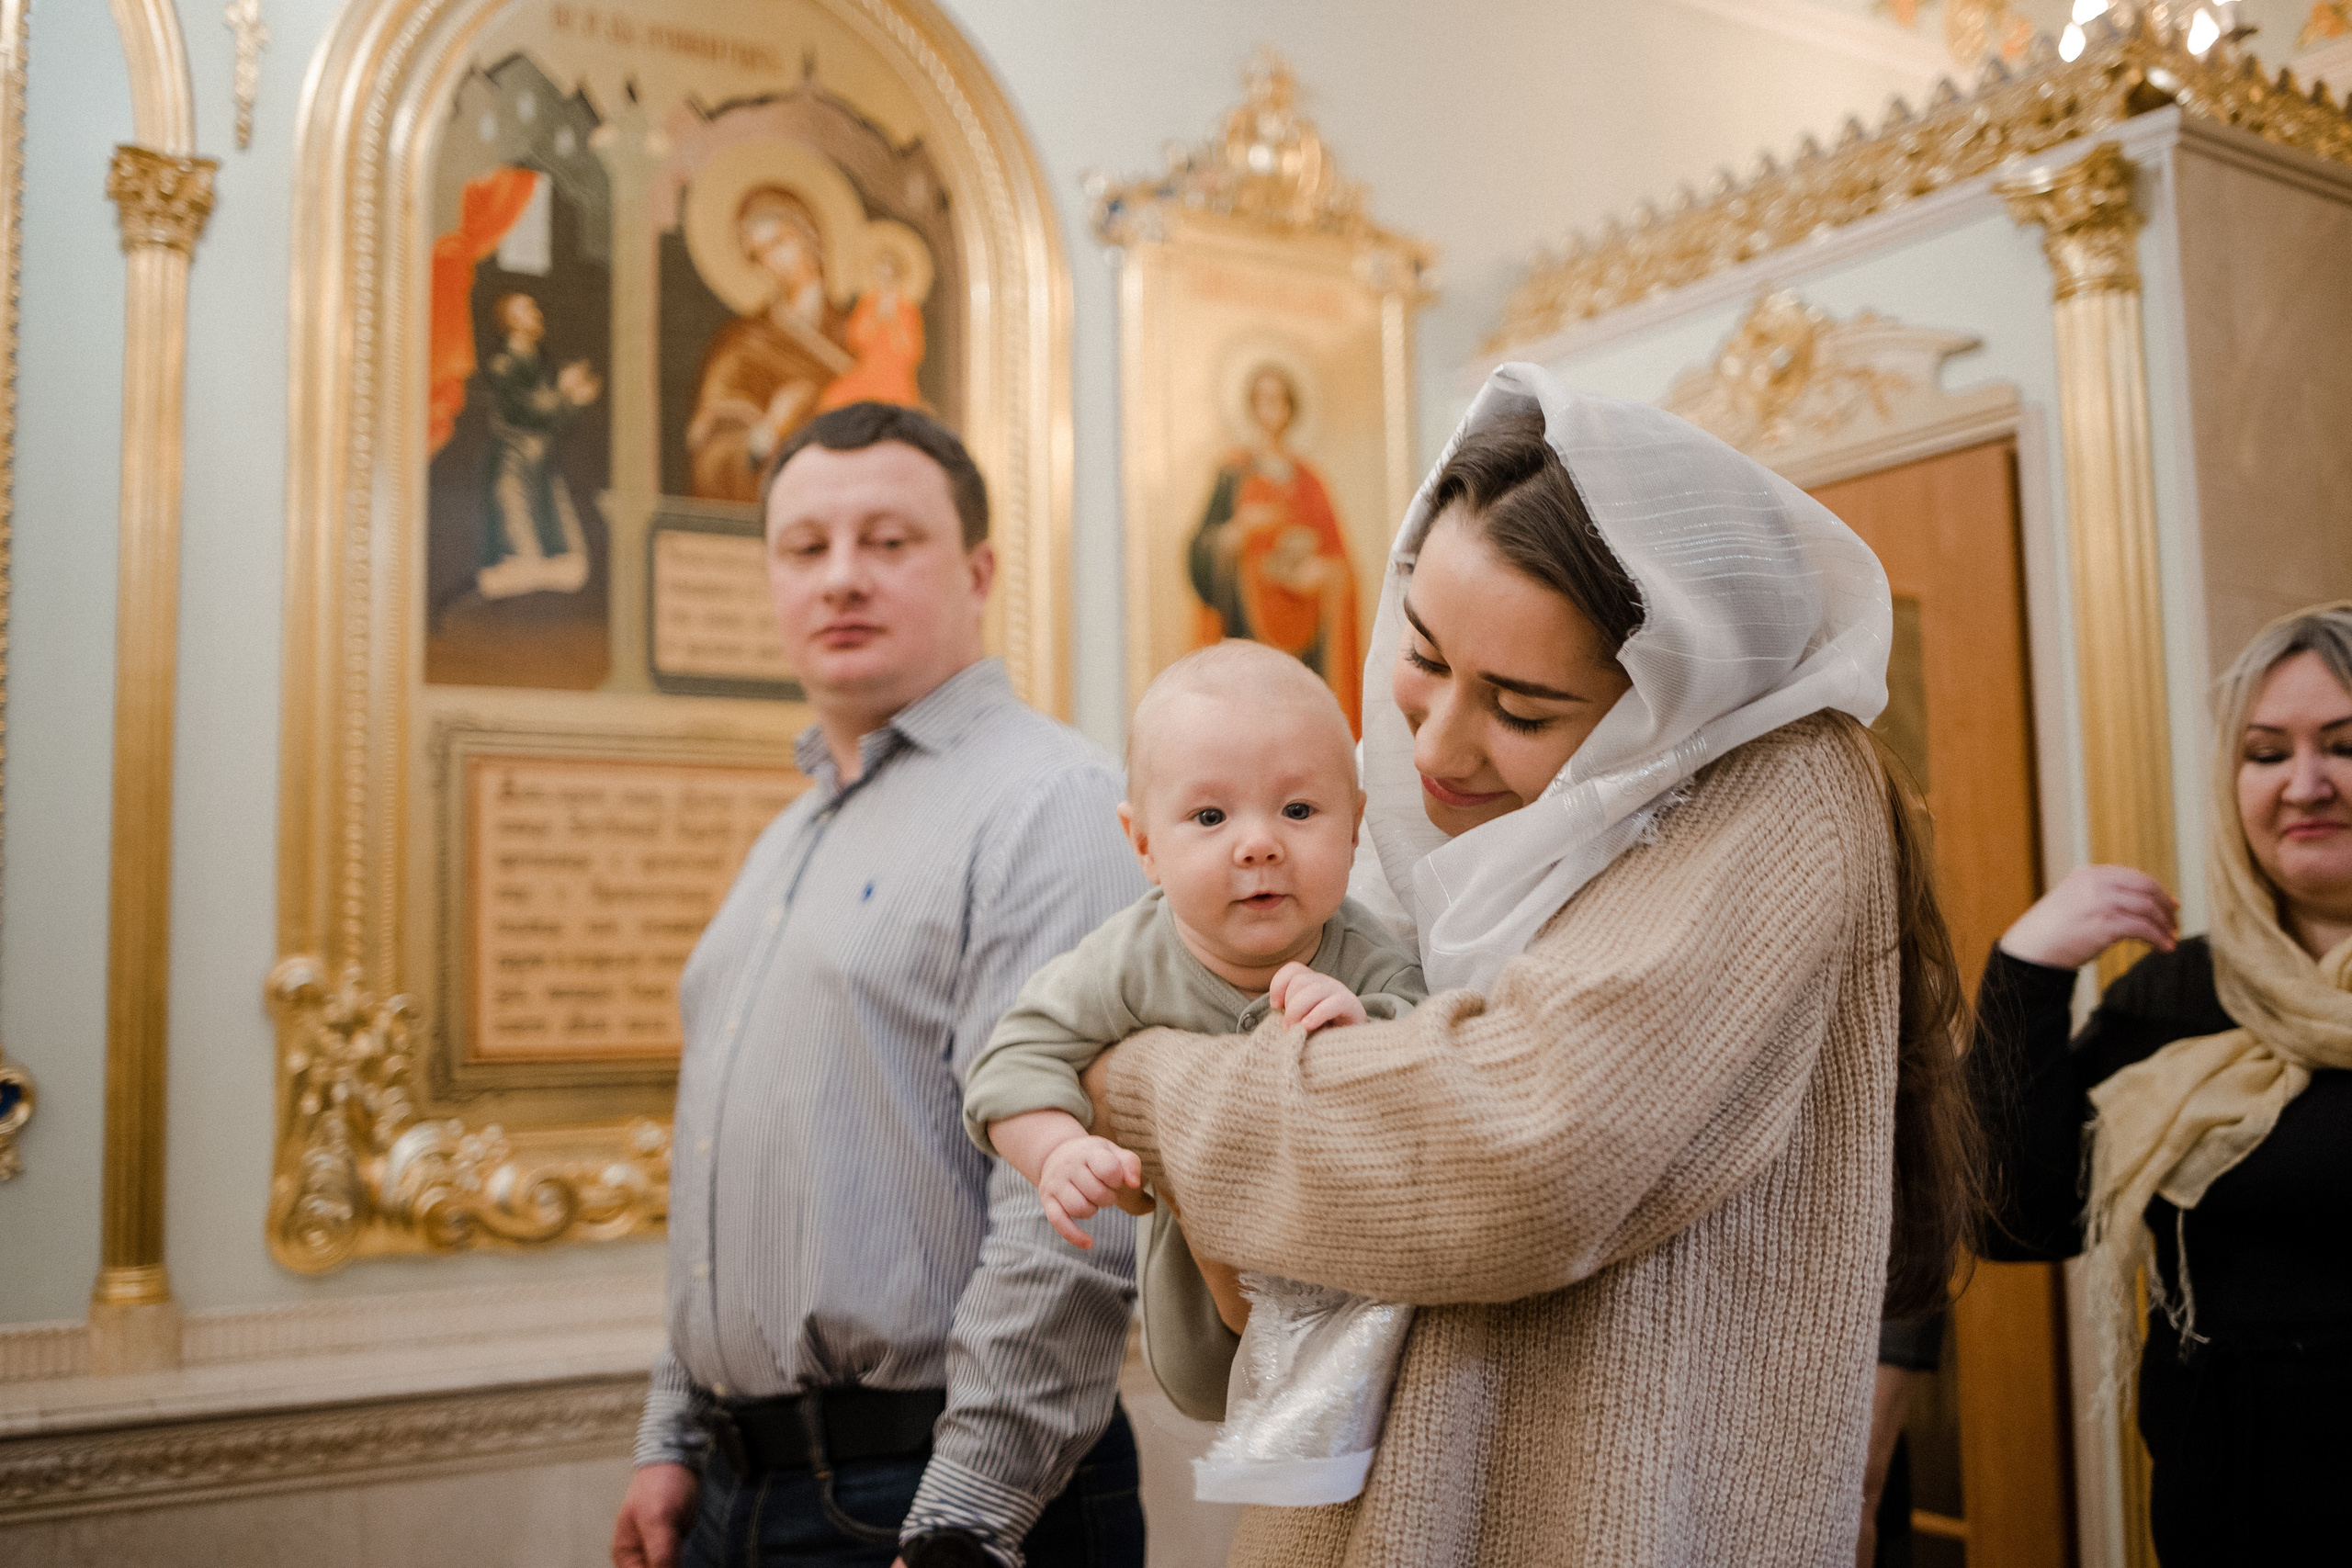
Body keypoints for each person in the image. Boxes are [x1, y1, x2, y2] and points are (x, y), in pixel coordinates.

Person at [1081, 365, 1980, 1565]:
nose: (1437, 739)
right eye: (1423, 652)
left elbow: (1514, 1146)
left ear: (1667, 698)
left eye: (1524, 703)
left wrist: (1145, 1077)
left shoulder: (1778, 787)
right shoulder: (1423, 830)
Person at [612, 402, 1147, 1568]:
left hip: (928, 1499)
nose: (841, 578)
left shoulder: (1050, 807)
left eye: (888, 542)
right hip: (731, 1491)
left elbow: (1074, 1215)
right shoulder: (790, 837)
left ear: (978, 568)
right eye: (805, 549)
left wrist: (967, 1518)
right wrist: (675, 1442)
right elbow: (731, 1174)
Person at [963, 640, 1424, 1503]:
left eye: (1297, 809)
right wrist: (1057, 1149)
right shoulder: (1128, 959)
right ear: (1141, 843)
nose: (1258, 845)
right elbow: (1012, 1059)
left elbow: (1431, 1064)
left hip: (1361, 1326)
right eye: (1211, 818)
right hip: (1200, 1323)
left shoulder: (1371, 959)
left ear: (1356, 826)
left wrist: (1365, 1028)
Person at [1968, 602, 2352, 1564]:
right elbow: (2017, 1219)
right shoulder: (2177, 992)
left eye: (2344, 745)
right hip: (2226, 1520)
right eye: (2265, 754)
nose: (2305, 784)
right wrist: (2026, 970)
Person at [1187, 367, 1363, 735]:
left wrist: (1320, 574)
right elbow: (1201, 551)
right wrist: (1238, 530)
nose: (1271, 410)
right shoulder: (1233, 475)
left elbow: (1342, 566)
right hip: (1247, 626)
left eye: (1279, 400)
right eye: (1263, 400)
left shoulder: (1310, 482)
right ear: (1251, 408)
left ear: (1291, 408)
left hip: (1305, 634)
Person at [686, 186, 854, 503]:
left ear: (810, 237)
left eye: (779, 242)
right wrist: (768, 431)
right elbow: (710, 457)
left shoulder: (858, 331)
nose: (772, 261)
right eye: (759, 255)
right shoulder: (744, 345)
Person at [476, 290, 601, 599]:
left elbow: (554, 420)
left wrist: (568, 399)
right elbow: (529, 410)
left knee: (564, 552)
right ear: (513, 321)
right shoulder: (504, 363)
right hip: (515, 459)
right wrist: (566, 392)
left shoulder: (539, 364)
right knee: (517, 529)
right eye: (529, 309)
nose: (538, 314)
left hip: (541, 461)